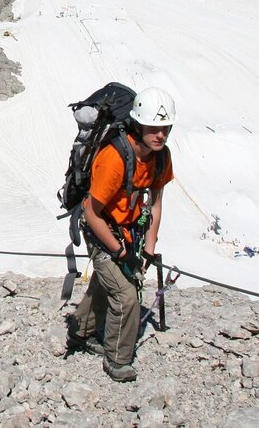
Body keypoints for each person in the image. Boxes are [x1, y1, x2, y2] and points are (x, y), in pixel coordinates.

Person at [67, 87, 177, 382]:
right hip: (100, 229)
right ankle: (117, 360)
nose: (161, 135)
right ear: (138, 125)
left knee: (108, 283)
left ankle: (79, 332)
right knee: (126, 295)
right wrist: (118, 250)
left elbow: (155, 203)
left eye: (165, 128)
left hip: (127, 229)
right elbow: (91, 212)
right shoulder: (114, 159)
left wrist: (149, 248)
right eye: (153, 128)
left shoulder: (160, 158)